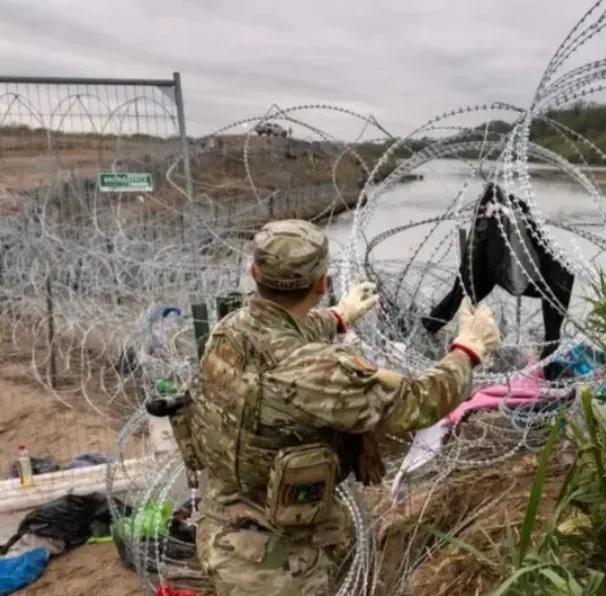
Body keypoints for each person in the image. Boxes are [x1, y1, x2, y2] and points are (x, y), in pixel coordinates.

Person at [187, 219, 502, 595]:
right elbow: (418, 402)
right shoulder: (320, 371)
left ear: (255, 273)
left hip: (221, 532)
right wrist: (469, 349)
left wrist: (339, 317)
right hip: (278, 566)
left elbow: (278, 334)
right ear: (322, 284)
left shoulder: (229, 331)